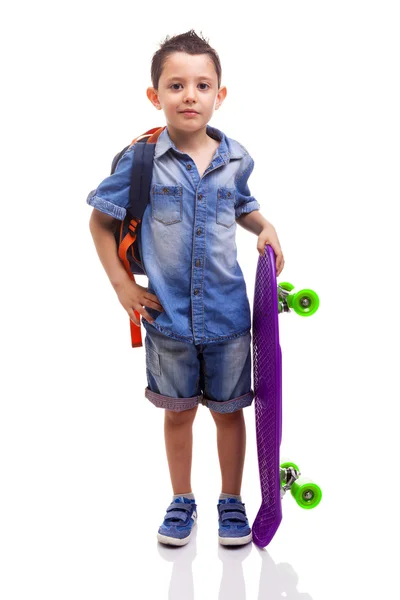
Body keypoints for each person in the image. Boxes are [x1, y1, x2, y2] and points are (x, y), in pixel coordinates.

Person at [87, 30, 284, 547]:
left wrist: (265, 226)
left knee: (229, 413)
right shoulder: (143, 159)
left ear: (220, 95)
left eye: (202, 85)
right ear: (156, 96)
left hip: (227, 319)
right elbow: (100, 223)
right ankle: (181, 501)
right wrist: (121, 286)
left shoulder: (235, 157)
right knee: (177, 417)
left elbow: (241, 204)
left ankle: (232, 502)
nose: (190, 95)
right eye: (176, 85)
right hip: (167, 318)